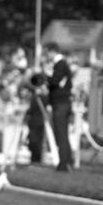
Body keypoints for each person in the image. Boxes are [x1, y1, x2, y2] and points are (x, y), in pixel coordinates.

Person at [44, 42, 74, 172]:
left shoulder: (61, 64)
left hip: (61, 104)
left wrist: (46, 75)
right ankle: (67, 161)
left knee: (61, 134)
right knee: (62, 134)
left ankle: (64, 163)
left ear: (52, 51)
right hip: (62, 103)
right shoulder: (61, 64)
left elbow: (55, 81)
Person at [22, 72, 49, 164]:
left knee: (36, 141)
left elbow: (40, 105)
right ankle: (34, 159)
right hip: (33, 121)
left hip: (39, 120)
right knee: (33, 140)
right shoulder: (34, 94)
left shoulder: (43, 95)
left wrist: (40, 93)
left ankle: (36, 159)